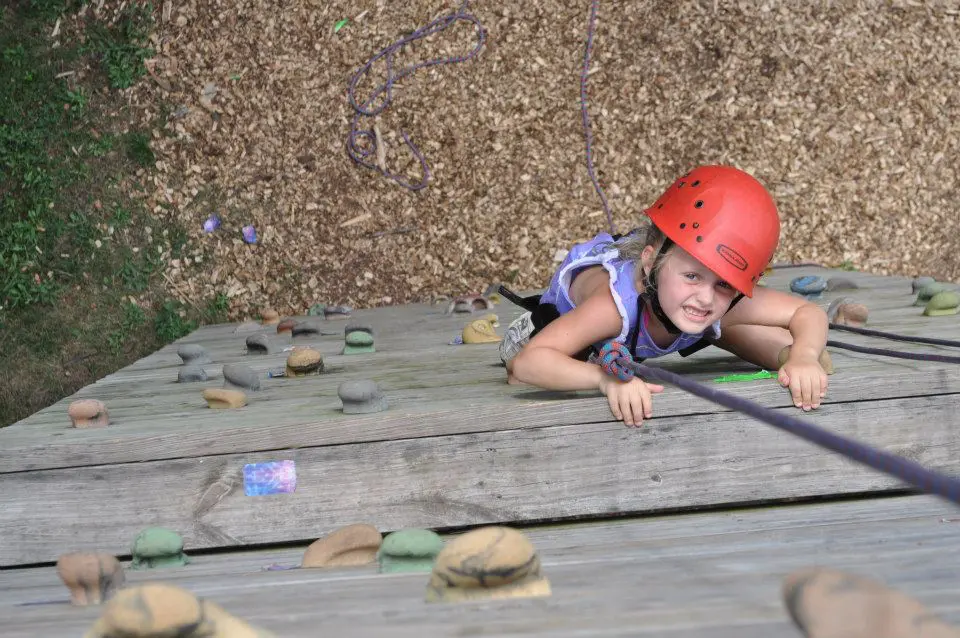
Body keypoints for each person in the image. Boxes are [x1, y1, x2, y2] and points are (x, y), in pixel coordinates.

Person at [499, 165, 830, 428]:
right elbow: (529, 363)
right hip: (593, 334)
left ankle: (756, 342)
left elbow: (807, 312)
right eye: (691, 276)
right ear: (650, 262)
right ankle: (539, 327)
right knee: (524, 373)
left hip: (670, 312)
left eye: (724, 284)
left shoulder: (711, 296)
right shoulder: (613, 307)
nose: (704, 296)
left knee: (799, 358)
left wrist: (804, 354)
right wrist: (605, 380)